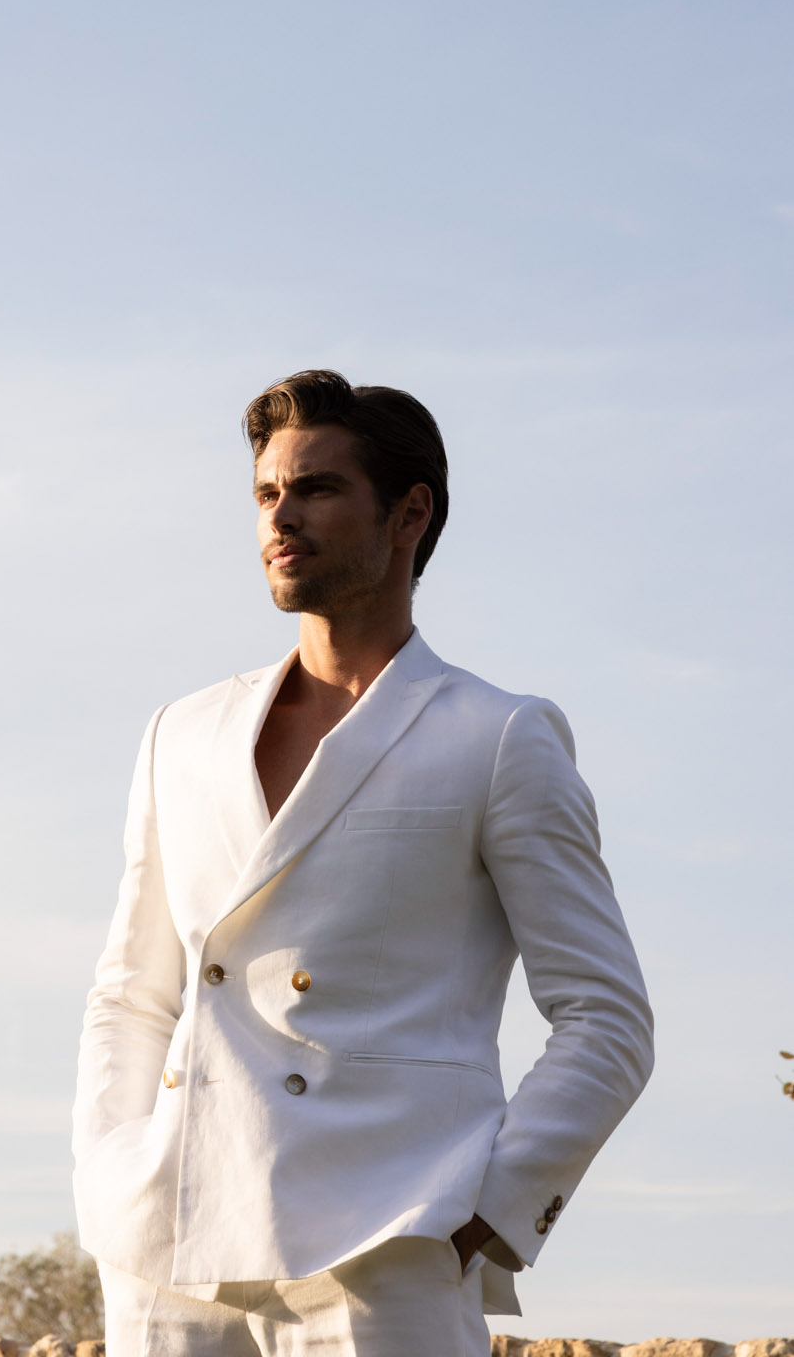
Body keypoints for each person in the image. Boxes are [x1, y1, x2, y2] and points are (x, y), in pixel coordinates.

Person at [72, 368, 653, 1357]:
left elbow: (607, 1015)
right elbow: (131, 993)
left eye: (317, 488)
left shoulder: (497, 735)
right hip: (170, 1250)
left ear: (408, 514)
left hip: (382, 1249)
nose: (280, 514)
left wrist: (480, 1215)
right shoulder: (183, 732)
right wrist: (109, 1168)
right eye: (266, 492)